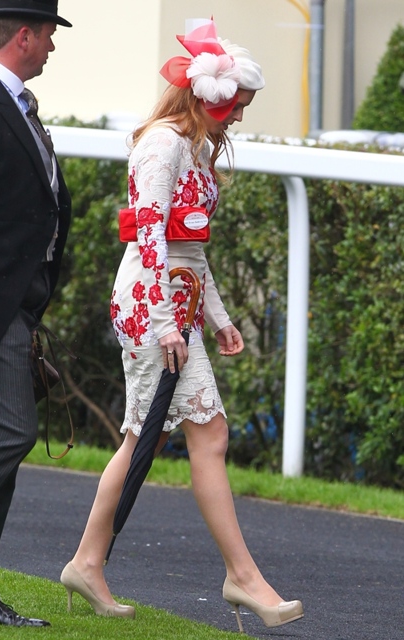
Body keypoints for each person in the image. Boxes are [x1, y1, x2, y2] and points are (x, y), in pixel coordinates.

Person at [61, 18, 303, 632]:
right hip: (152, 309)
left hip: (172, 309)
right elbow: (149, 237)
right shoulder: (163, 145)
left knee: (145, 438)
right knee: (204, 433)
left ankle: (87, 563)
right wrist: (170, 321)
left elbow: (189, 250)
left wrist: (216, 318)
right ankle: (241, 576)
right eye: (236, 105)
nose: (239, 117)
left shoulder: (191, 146)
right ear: (206, 96)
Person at [0, 0, 72, 628]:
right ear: (23, 36)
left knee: (1, 443)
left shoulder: (9, 100)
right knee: (10, 433)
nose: (52, 47)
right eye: (48, 35)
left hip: (16, 302)